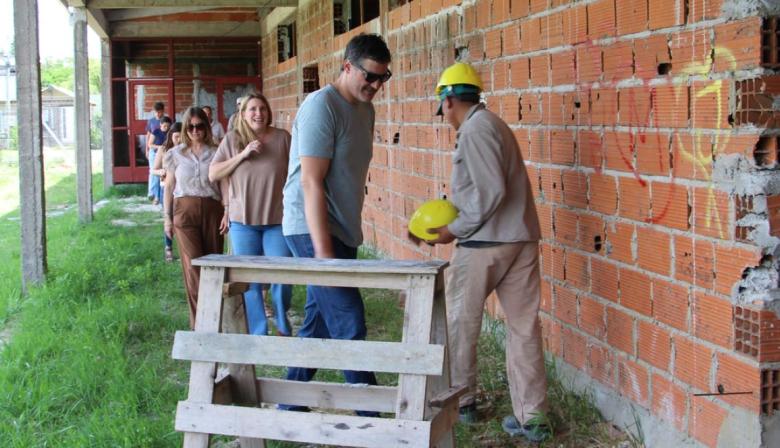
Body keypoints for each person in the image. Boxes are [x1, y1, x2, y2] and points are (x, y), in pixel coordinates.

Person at [419, 62, 550, 442]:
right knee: (524, 328)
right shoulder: (494, 124)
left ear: (448, 101)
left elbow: (490, 192)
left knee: (462, 325)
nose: (444, 117)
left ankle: (463, 403)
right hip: (519, 239)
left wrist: (452, 230)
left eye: (442, 107)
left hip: (484, 246)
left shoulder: (474, 130)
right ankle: (533, 416)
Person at [280, 33, 392, 414]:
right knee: (348, 319)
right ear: (347, 66)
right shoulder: (321, 106)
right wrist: (324, 252)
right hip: (311, 227)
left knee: (319, 321)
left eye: (383, 78)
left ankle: (288, 405)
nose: (376, 86)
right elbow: (311, 181)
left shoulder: (365, 109)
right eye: (370, 77)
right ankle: (373, 419)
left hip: (343, 228)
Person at [209, 93, 294, 336]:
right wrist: (243, 154)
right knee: (250, 279)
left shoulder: (282, 138)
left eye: (262, 109)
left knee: (283, 273)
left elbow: (297, 173)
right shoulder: (232, 140)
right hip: (243, 221)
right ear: (243, 114)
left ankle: (281, 319)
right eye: (253, 109)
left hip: (277, 220)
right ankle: (258, 332)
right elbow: (213, 173)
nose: (259, 113)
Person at [163, 108, 224, 329]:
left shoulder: (217, 152)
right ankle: (200, 323)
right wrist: (167, 219)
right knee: (193, 266)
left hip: (212, 209)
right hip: (184, 210)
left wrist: (227, 210)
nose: (195, 131)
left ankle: (215, 318)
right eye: (191, 126)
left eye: (200, 126)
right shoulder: (176, 154)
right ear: (185, 128)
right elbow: (169, 186)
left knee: (213, 264)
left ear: (206, 127)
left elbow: (223, 184)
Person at [153, 121, 182, 262]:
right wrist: (161, 171)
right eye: (176, 137)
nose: (179, 140)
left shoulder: (186, 150)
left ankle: (183, 247)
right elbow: (153, 169)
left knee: (180, 218)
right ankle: (168, 248)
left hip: (182, 189)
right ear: (171, 136)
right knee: (168, 217)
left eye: (182, 137)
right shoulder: (164, 149)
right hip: (166, 187)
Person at [148, 116, 172, 206]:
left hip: (166, 155)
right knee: (155, 175)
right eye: (164, 126)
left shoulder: (170, 133)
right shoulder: (156, 131)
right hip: (154, 154)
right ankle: (154, 196)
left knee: (163, 175)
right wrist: (160, 148)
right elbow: (150, 144)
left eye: (168, 126)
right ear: (160, 125)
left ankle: (160, 197)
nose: (166, 128)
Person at [145, 101, 167, 201]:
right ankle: (152, 194)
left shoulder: (167, 120)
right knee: (153, 171)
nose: (158, 114)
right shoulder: (151, 121)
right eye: (156, 112)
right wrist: (147, 149)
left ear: (163, 111)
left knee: (161, 172)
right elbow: (148, 135)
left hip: (165, 151)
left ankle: (159, 195)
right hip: (153, 151)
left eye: (160, 112)